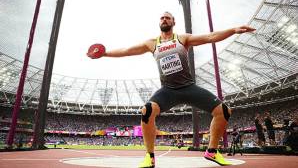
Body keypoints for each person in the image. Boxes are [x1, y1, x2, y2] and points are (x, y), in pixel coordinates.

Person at [87, 11, 255, 167]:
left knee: (224, 111)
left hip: (189, 88)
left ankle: (211, 152)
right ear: (159, 22)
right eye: (162, 18)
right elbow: (126, 51)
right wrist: (105, 53)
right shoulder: (152, 43)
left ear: (173, 22)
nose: (165, 19)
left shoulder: (182, 38)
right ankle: (149, 157)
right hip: (168, 91)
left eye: (168, 17)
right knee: (146, 110)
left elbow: (211, 36)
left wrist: (233, 30)